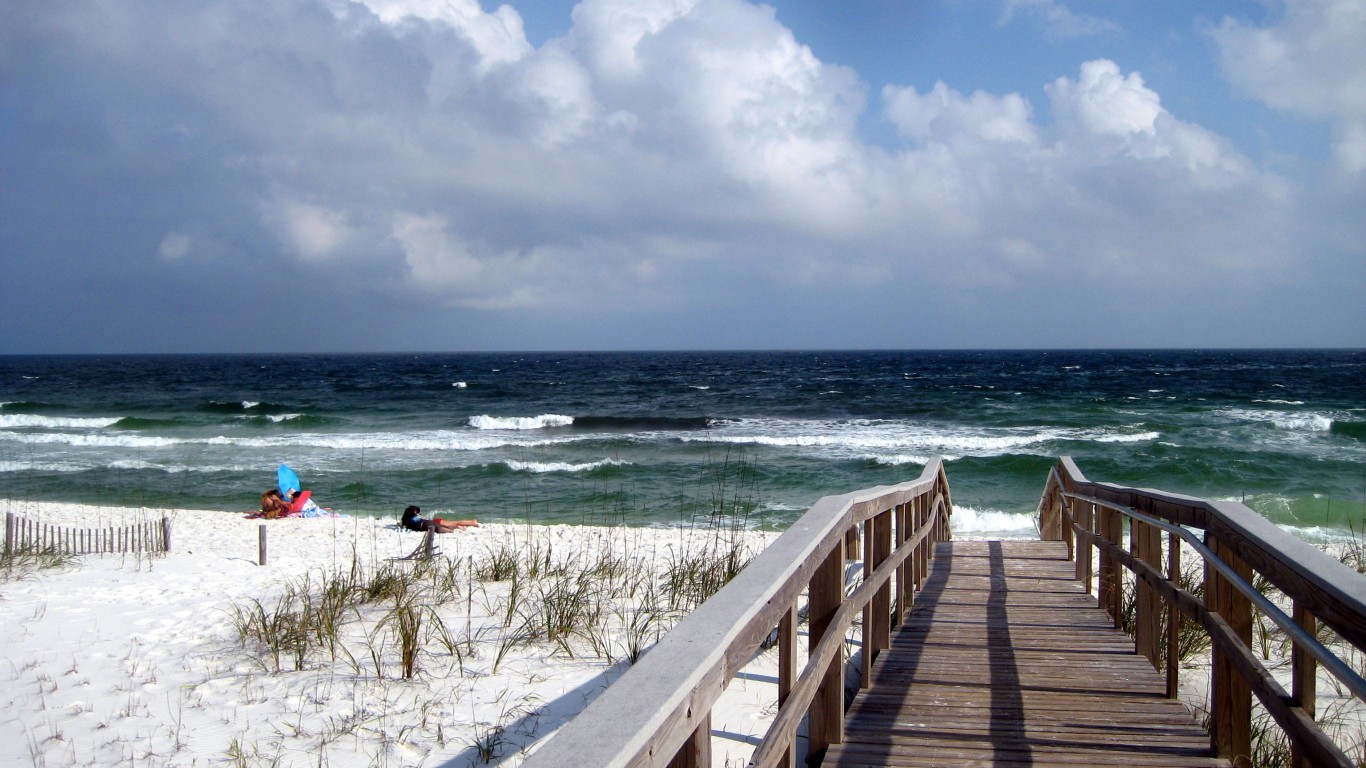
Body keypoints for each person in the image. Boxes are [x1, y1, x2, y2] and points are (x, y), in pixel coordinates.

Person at [400, 505, 478, 533]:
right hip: (435, 521)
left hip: (435, 522)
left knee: (456, 523)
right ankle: (472, 522)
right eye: (417, 511)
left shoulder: (408, 519)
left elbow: (403, 525)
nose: (418, 512)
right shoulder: (415, 517)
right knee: (456, 522)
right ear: (414, 511)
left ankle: (472, 523)